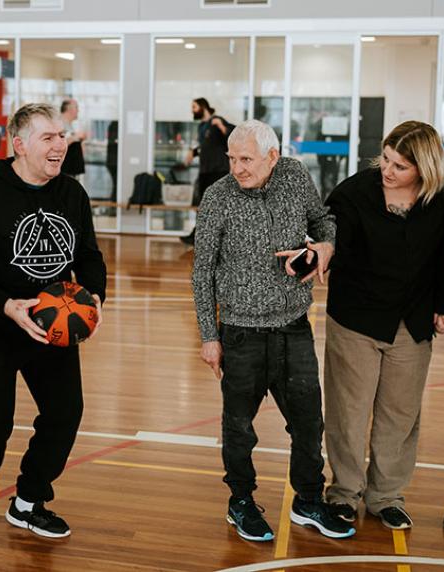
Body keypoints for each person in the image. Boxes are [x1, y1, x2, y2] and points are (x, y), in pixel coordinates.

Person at [0, 102, 107, 543]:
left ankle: (29, 501)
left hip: (50, 322)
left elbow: (88, 256)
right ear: (19, 145)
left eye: (62, 135)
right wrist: (6, 304)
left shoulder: (72, 194)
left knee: (65, 412)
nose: (60, 144)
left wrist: (95, 298)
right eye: (48, 137)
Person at [191, 119, 353, 543]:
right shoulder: (217, 196)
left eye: (246, 159)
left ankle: (309, 500)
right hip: (241, 334)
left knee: (307, 423)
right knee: (239, 428)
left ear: (273, 157)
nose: (237, 168)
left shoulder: (296, 176)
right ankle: (240, 502)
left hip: (294, 329)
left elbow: (323, 221)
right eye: (231, 159)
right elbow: (202, 270)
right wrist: (210, 336)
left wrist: (324, 248)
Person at [322, 121, 444, 530]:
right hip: (356, 318)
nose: (388, 170)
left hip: (412, 320)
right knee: (348, 410)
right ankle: (344, 493)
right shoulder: (355, 193)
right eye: (386, 159)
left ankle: (386, 496)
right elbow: (331, 234)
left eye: (400, 166)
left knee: (400, 413)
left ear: (425, 168)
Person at [180, 98, 233, 246]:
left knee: (216, 206)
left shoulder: (217, 120)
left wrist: (222, 127)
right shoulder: (202, 126)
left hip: (218, 171)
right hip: (205, 171)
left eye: (194, 107)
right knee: (202, 205)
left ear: (203, 107)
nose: (192, 110)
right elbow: (205, 146)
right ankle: (199, 235)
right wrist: (193, 153)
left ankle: (212, 237)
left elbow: (232, 137)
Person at [60, 98, 86, 181]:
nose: (78, 111)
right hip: (65, 171)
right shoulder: (60, 123)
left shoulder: (69, 125)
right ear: (68, 109)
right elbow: (60, 143)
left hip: (71, 171)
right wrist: (76, 137)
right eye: (76, 108)